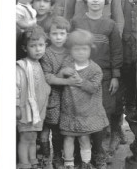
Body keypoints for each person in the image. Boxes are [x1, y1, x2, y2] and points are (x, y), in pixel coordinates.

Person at [71, 0, 123, 157]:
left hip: (104, 78)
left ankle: (101, 150)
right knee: (81, 111)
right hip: (79, 76)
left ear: (105, 0)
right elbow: (69, 48)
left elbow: (116, 51)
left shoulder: (110, 25)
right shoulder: (76, 22)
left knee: (103, 111)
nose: (95, 0)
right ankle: (82, 150)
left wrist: (115, 76)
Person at [59, 30, 109, 169]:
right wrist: (62, 72)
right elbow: (59, 75)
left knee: (84, 138)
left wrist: (81, 81)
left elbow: (93, 88)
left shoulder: (95, 69)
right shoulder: (68, 62)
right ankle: (68, 163)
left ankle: (86, 163)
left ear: (90, 50)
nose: (80, 52)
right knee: (68, 137)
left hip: (86, 111)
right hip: (70, 110)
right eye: (76, 49)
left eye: (84, 49)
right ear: (70, 50)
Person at [39, 16, 72, 169]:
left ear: (67, 34)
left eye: (62, 33)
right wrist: (64, 79)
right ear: (48, 35)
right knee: (46, 129)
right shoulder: (46, 54)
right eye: (54, 34)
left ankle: (57, 156)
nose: (58, 37)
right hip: (49, 97)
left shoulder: (70, 52)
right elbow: (47, 77)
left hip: (66, 98)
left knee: (59, 131)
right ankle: (45, 156)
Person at [17, 26, 51, 169]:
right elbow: (15, 86)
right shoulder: (22, 66)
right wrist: (16, 105)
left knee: (33, 137)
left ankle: (33, 160)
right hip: (25, 109)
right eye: (33, 46)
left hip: (37, 110)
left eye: (41, 45)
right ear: (25, 48)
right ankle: (24, 163)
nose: (38, 49)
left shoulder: (39, 64)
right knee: (25, 137)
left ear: (46, 46)